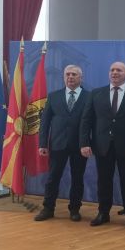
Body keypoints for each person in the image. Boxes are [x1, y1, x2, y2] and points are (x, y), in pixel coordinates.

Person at [80, 61, 125, 229]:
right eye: (112, 70)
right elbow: (86, 120)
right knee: (103, 181)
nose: (115, 72)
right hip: (102, 145)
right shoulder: (96, 93)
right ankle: (103, 213)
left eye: (119, 70)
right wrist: (84, 142)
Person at [34, 65, 89, 222]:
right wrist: (42, 144)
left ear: (81, 78)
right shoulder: (54, 96)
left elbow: (92, 122)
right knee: (53, 178)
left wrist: (88, 143)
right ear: (64, 77)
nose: (70, 77)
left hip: (80, 145)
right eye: (67, 74)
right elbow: (45, 122)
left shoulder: (89, 97)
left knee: (77, 178)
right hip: (57, 144)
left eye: (74, 74)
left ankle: (75, 209)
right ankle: (48, 208)